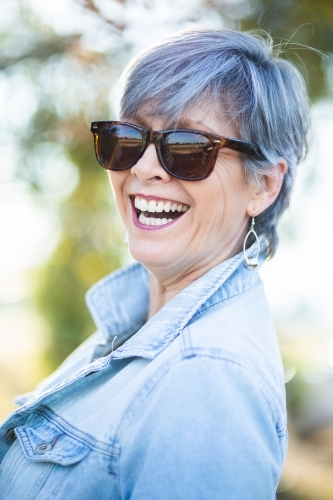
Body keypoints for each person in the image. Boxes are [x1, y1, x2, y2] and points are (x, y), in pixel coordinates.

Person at [0, 28, 310, 499]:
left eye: (187, 147)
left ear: (263, 186)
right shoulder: (138, 328)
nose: (143, 168)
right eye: (127, 138)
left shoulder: (207, 380)